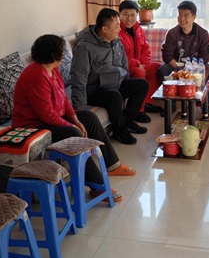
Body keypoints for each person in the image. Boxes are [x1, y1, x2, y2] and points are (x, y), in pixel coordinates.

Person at [12, 35, 137, 204]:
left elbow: (64, 99)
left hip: (51, 118)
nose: (64, 54)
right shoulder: (36, 76)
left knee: (89, 118)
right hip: (33, 126)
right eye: (61, 51)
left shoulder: (52, 69)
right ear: (52, 54)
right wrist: (73, 126)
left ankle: (112, 165)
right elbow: (47, 115)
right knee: (73, 133)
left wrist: (76, 119)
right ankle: (97, 186)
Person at [71, 8, 150, 145]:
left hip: (115, 84)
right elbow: (79, 77)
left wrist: (127, 84)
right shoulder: (84, 47)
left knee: (142, 85)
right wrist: (81, 109)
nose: (120, 29)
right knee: (114, 96)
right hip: (95, 90)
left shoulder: (116, 41)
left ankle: (127, 121)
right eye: (117, 26)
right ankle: (119, 130)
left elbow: (124, 66)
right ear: (105, 29)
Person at [118, 0, 162, 114]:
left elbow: (145, 50)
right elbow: (119, 57)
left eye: (133, 15)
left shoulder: (138, 29)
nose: (129, 18)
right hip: (125, 68)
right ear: (119, 14)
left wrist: (145, 65)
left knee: (157, 67)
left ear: (137, 15)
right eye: (125, 14)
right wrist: (138, 65)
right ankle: (139, 110)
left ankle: (147, 102)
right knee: (139, 72)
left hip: (139, 65)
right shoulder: (116, 32)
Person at [159, 0, 209, 79]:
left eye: (186, 15)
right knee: (164, 69)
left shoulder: (203, 33)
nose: (182, 18)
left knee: (208, 67)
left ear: (194, 17)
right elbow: (167, 55)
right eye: (180, 14)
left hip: (195, 67)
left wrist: (190, 69)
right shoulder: (172, 33)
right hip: (176, 66)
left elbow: (206, 56)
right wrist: (181, 70)